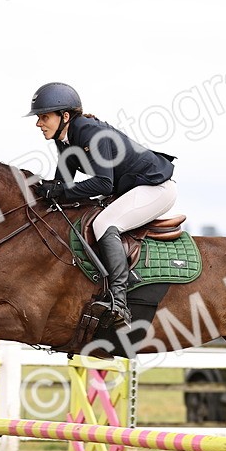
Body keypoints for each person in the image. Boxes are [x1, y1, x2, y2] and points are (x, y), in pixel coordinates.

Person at [26, 82, 177, 328]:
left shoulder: (89, 133)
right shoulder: (65, 139)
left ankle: (120, 302)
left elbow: (104, 184)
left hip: (155, 188)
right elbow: (63, 184)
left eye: (44, 117)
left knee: (104, 223)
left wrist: (61, 190)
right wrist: (42, 190)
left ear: (65, 116)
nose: (38, 123)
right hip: (133, 189)